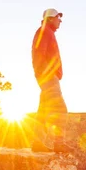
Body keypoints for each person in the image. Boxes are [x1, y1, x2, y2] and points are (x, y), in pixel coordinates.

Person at [31, 8, 73, 153]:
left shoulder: (46, 32)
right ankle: (59, 142)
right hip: (48, 76)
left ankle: (37, 142)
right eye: (57, 18)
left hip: (46, 76)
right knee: (60, 109)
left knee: (43, 111)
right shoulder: (44, 31)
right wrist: (45, 74)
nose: (60, 20)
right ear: (50, 19)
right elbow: (38, 54)